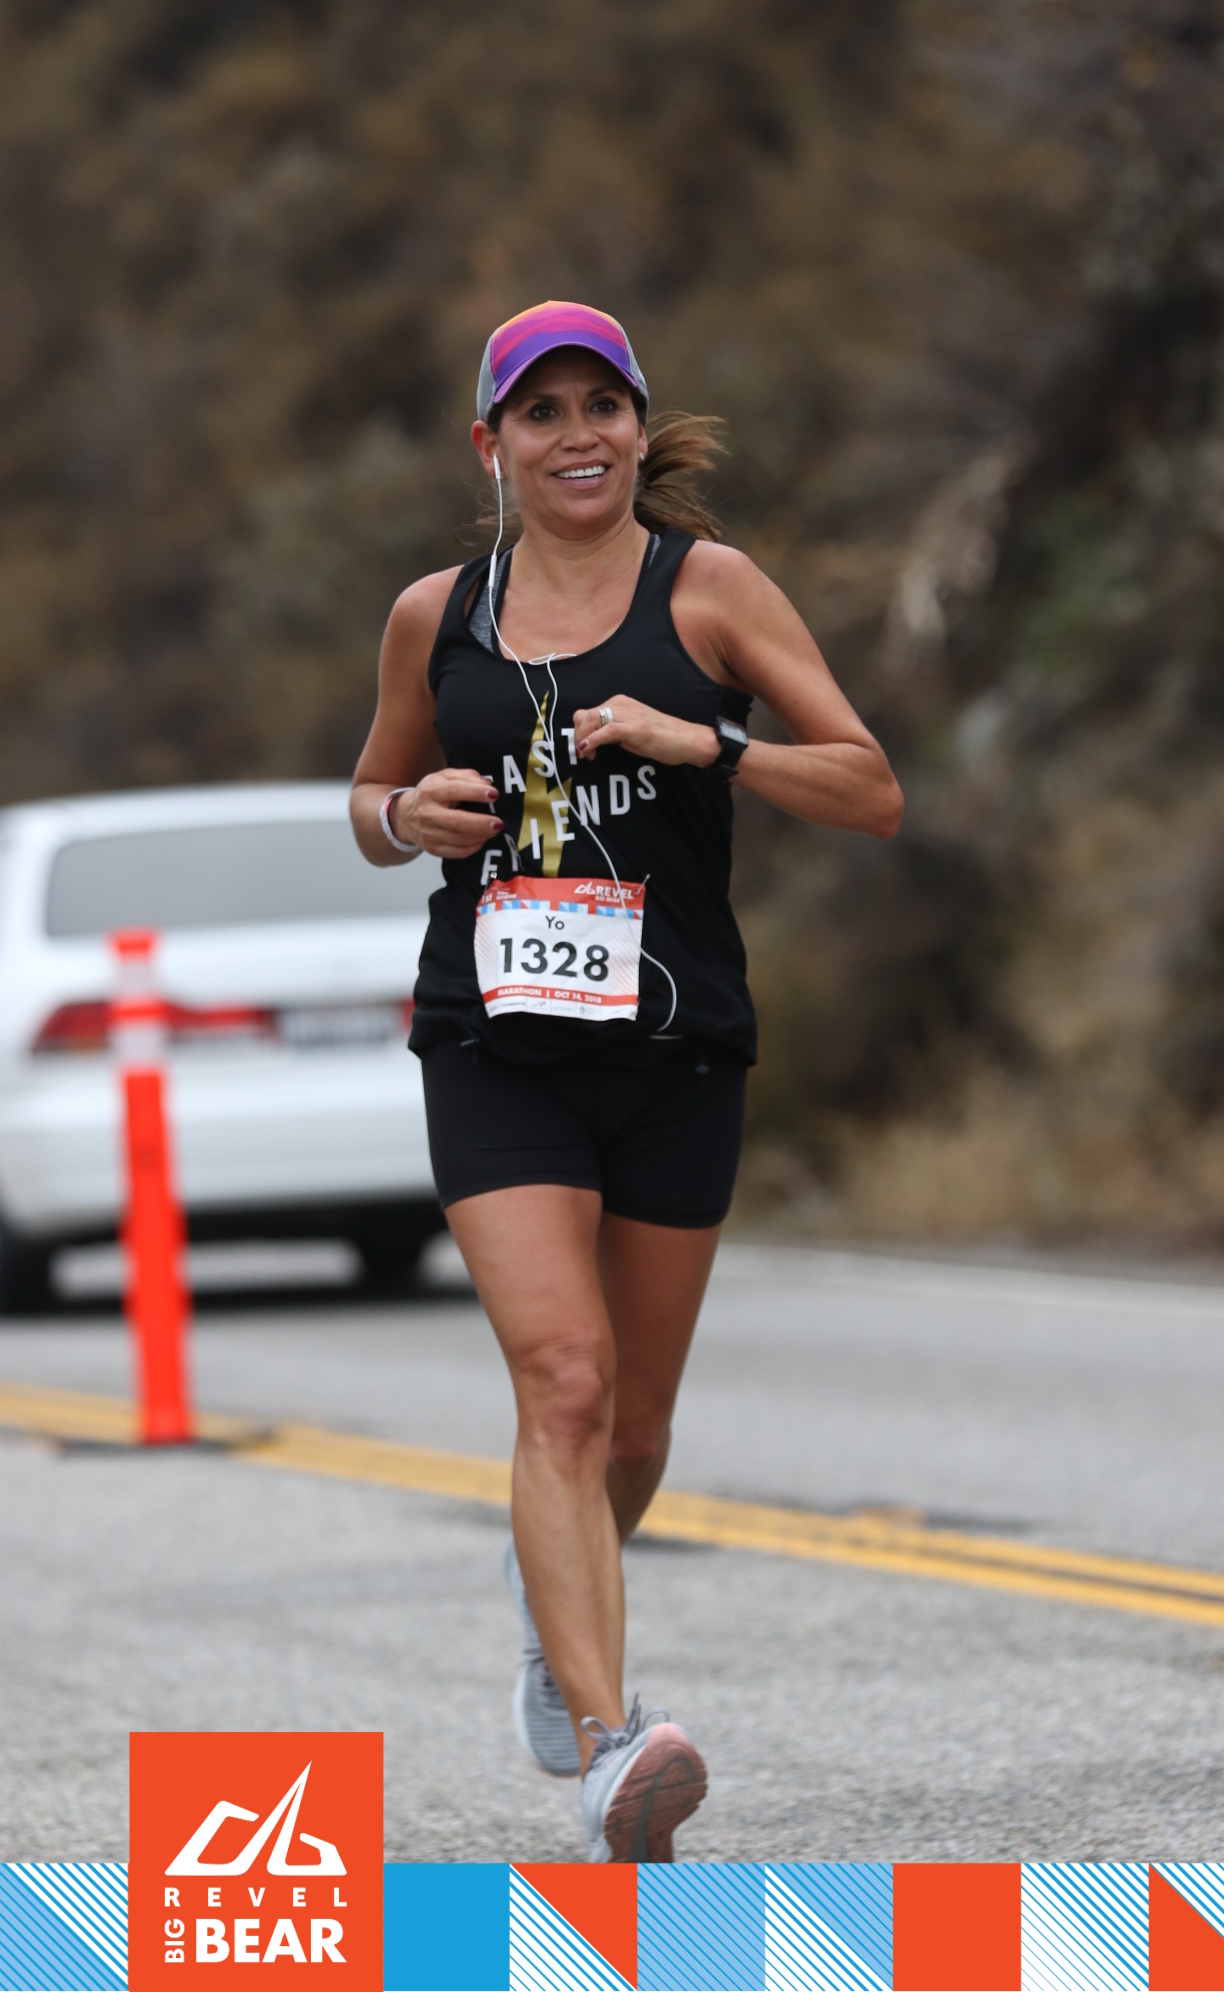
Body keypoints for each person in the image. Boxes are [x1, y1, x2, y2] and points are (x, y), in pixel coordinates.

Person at [351, 300, 902, 1862]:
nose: (577, 434)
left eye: (603, 405)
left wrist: (704, 743)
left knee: (637, 1431)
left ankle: (557, 1606)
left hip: (675, 1044)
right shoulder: (434, 617)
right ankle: (612, 1748)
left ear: (640, 429)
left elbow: (870, 788)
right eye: (542, 412)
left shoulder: (709, 590)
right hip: (494, 1042)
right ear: (493, 445)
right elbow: (372, 793)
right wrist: (406, 821)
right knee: (567, 1383)